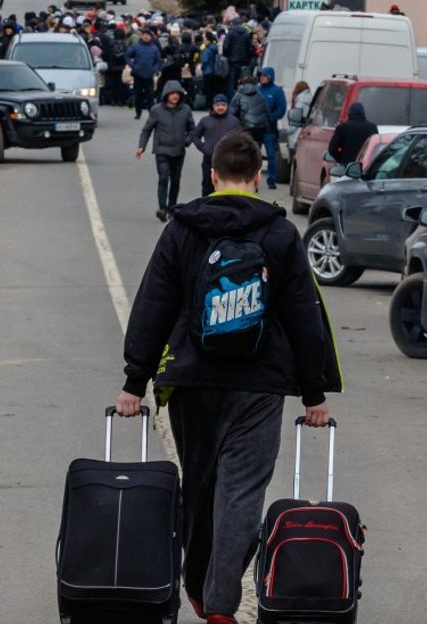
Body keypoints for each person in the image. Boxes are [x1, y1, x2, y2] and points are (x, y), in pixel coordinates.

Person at [116, 132, 338, 624]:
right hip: (259, 386)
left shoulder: (183, 229)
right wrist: (314, 391)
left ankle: (195, 585)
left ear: (212, 175)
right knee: (241, 493)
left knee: (199, 489)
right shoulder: (278, 234)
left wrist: (135, 380)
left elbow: (154, 304)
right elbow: (304, 315)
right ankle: (219, 604)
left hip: (193, 383)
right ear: (258, 176)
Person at [135, 79, 196, 222]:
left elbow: (192, 129)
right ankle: (162, 208)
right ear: (166, 95)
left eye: (177, 94)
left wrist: (187, 141)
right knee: (163, 178)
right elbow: (147, 129)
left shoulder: (185, 110)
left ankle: (171, 207)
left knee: (175, 181)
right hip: (162, 150)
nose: (175, 96)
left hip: (179, 151)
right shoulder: (157, 110)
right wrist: (141, 146)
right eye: (172, 93)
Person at [187, 94, 241, 196]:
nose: (220, 107)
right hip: (209, 158)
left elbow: (240, 139)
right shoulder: (205, 120)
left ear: (227, 106)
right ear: (213, 106)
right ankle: (206, 208)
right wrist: (203, 147)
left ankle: (223, 208)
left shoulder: (234, 121)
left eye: (223, 105)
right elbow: (195, 135)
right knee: (207, 185)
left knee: (225, 185)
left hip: (227, 160)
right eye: (218, 105)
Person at [255, 68, 287, 188]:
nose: (262, 78)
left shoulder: (277, 91)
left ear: (270, 76)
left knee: (271, 155)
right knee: (255, 155)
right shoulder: (257, 90)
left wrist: (272, 118)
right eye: (261, 76)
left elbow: (281, 108)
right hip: (256, 128)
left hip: (269, 129)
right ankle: (254, 179)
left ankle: (271, 179)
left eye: (264, 76)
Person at [125, 29, 163, 121]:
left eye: (147, 35)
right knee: (137, 95)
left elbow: (158, 61)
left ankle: (151, 113)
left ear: (151, 37)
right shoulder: (136, 46)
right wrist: (133, 65)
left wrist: (155, 69)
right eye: (144, 35)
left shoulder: (154, 48)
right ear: (141, 36)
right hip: (137, 74)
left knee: (150, 95)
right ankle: (138, 112)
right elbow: (127, 56)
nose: (145, 37)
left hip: (149, 75)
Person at [229, 74, 270, 144]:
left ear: (241, 85)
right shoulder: (260, 95)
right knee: (255, 149)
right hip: (260, 128)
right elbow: (266, 112)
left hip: (245, 128)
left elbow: (232, 113)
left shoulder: (238, 95)